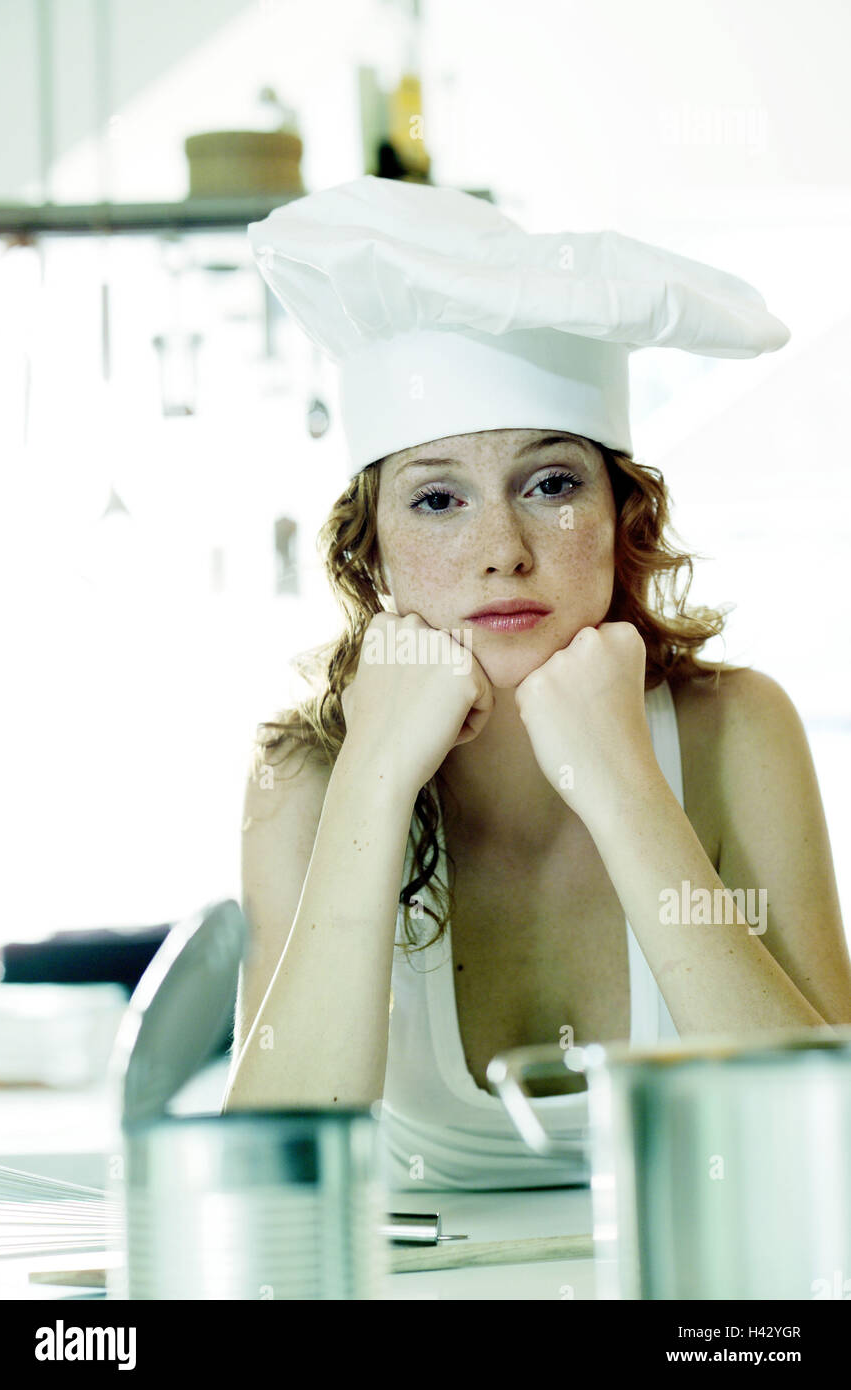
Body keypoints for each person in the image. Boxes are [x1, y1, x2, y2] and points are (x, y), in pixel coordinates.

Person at [222, 177, 851, 1189]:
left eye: (550, 484)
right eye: (436, 499)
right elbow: (268, 1184)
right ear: (369, 553)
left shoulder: (736, 731)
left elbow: (827, 1160)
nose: (499, 551)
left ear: (620, 517)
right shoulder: (301, 776)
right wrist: (376, 776)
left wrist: (622, 787)